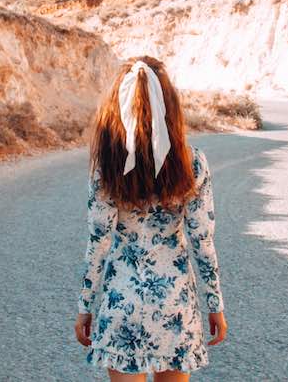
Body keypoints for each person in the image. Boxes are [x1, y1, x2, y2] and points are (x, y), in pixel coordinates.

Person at [74, 56, 227, 382]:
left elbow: (98, 243)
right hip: (174, 304)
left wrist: (85, 307)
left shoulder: (108, 167)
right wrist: (215, 303)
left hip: (122, 303)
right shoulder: (192, 163)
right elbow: (202, 241)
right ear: (170, 105)